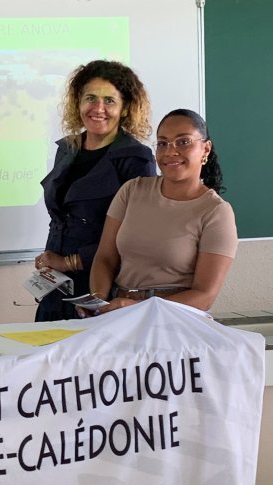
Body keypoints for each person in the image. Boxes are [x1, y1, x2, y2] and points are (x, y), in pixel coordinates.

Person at [34, 60, 156, 322]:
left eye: (109, 101)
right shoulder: (67, 149)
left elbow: (138, 234)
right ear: (78, 102)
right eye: (90, 98)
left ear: (125, 108)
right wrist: (51, 258)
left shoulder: (136, 158)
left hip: (103, 285)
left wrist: (70, 261)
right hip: (55, 285)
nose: (98, 109)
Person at [88, 108, 237, 314]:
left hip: (175, 320)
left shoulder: (216, 212)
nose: (170, 152)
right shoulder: (132, 190)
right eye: (162, 143)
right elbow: (105, 257)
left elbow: (204, 296)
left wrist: (136, 308)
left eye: (183, 142)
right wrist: (97, 303)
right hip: (120, 314)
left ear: (206, 149)